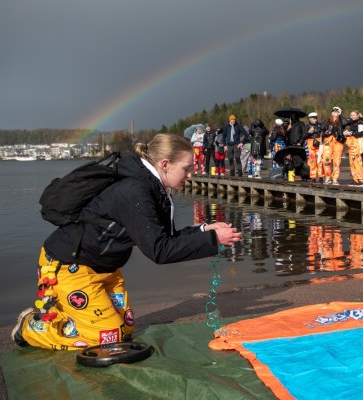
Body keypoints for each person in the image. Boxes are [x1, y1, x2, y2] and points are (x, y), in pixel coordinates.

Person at [12, 134, 241, 350]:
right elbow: (159, 251)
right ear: (164, 164)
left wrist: (204, 230)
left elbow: (165, 238)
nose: (190, 174)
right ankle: (31, 326)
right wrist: (213, 240)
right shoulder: (135, 191)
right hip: (70, 265)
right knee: (109, 335)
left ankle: (64, 313)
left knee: (126, 327)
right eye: (186, 168)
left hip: (105, 268)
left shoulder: (155, 188)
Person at [320, 106, 346, 185]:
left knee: (337, 161)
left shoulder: (341, 121)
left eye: (337, 111)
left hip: (338, 142)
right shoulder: (327, 120)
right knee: (326, 160)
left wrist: (340, 115)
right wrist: (325, 133)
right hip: (328, 141)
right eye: (333, 111)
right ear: (331, 112)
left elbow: (346, 122)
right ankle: (328, 177)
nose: (335, 112)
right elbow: (321, 131)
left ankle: (335, 179)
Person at [343, 110, 363, 186]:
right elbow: (345, 122)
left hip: (357, 144)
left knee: (358, 162)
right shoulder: (352, 122)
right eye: (351, 115)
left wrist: (350, 133)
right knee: (352, 162)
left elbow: (360, 133)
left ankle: (361, 180)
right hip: (351, 144)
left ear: (358, 115)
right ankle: (355, 179)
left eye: (353, 115)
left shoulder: (360, 123)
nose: (352, 117)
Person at [303, 112, 323, 182]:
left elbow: (324, 134)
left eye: (315, 118)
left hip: (319, 143)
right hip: (310, 143)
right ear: (310, 119)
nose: (315, 120)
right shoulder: (306, 126)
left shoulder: (320, 125)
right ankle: (313, 177)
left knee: (320, 159)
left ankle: (321, 176)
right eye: (313, 118)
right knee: (312, 161)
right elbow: (303, 136)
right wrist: (308, 132)